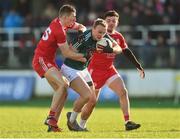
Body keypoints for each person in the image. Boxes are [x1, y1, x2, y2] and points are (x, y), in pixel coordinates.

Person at [79, 10, 145, 131]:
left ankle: (127, 122)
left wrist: (138, 65)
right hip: (94, 71)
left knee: (123, 92)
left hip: (109, 70)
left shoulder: (118, 36)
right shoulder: (96, 34)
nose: (111, 23)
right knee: (92, 102)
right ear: (104, 22)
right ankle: (81, 124)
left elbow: (126, 51)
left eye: (113, 21)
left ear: (117, 22)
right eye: (108, 20)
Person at [60, 18, 122, 131]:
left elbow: (119, 48)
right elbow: (68, 52)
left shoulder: (104, 37)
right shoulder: (84, 37)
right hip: (70, 68)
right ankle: (72, 120)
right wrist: (83, 56)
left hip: (83, 70)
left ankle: (81, 124)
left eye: (104, 32)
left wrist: (111, 49)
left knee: (92, 100)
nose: (101, 35)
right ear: (93, 29)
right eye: (99, 32)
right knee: (87, 95)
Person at [32, 4, 86, 132]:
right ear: (65, 17)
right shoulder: (59, 30)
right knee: (62, 85)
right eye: (73, 17)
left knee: (64, 89)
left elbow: (79, 26)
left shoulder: (61, 22)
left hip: (49, 60)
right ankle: (50, 117)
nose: (74, 20)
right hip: (41, 60)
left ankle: (53, 125)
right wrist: (83, 57)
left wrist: (82, 29)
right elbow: (66, 53)